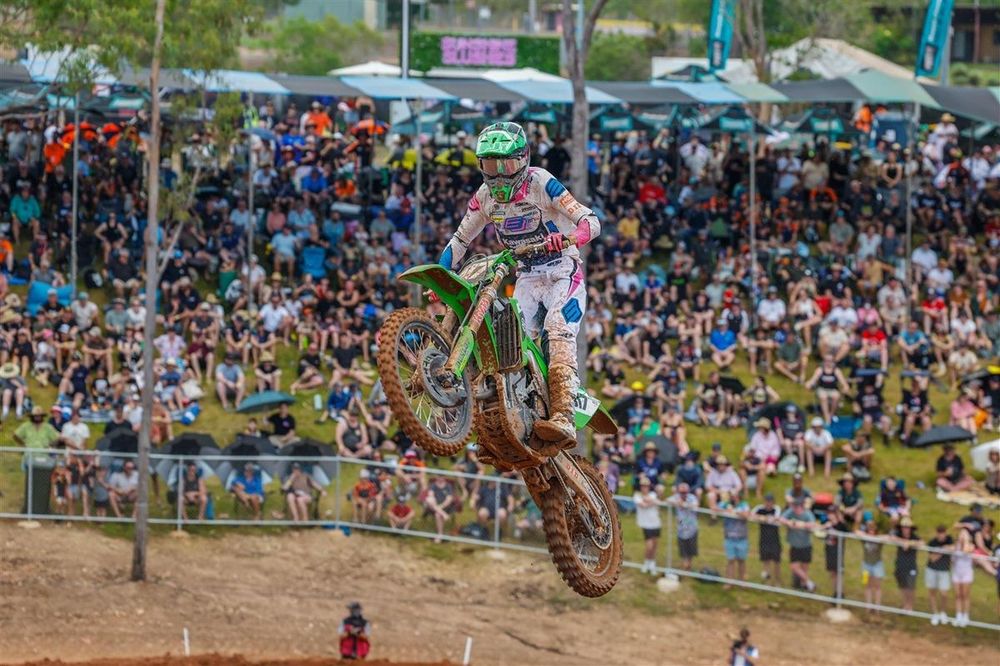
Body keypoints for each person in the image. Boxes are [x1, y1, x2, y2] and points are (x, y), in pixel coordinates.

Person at [439, 122, 601, 448]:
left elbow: (591, 221)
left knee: (557, 328)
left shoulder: (541, 182)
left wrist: (569, 238)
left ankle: (564, 416)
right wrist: (441, 275)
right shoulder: (484, 196)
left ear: (523, 158)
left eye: (506, 165)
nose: (499, 176)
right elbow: (460, 240)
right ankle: (502, 429)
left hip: (562, 271)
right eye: (490, 166)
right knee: (508, 344)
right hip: (525, 276)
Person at [781, 498, 817, 591]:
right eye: (794, 506)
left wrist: (802, 525)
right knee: (794, 567)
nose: (795, 508)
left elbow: (813, 524)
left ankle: (804, 585)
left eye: (797, 506)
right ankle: (809, 582)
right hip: (795, 545)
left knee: (804, 568)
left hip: (806, 545)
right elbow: (781, 518)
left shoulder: (807, 514)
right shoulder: (791, 511)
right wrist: (789, 522)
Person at [719, 489, 750, 588]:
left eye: (735, 495)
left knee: (741, 560)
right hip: (729, 537)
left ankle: (742, 582)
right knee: (730, 560)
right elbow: (715, 509)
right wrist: (725, 510)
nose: (733, 497)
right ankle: (729, 582)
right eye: (731, 495)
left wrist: (735, 511)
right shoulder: (725, 504)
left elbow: (746, 515)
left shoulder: (744, 504)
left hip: (742, 538)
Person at [926, 524, 954, 626]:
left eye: (943, 533)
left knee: (944, 593)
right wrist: (942, 550)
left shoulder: (949, 539)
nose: (941, 535)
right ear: (937, 533)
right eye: (939, 533)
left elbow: (953, 548)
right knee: (932, 592)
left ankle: (943, 612)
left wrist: (944, 549)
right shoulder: (932, 542)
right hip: (932, 569)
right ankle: (935, 613)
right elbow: (932, 558)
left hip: (944, 570)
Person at [667, 482, 699, 571]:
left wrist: (684, 504)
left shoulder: (692, 497)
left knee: (691, 548)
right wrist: (676, 502)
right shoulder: (676, 497)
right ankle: (685, 564)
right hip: (681, 525)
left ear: (688, 491)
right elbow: (667, 500)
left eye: (685, 492)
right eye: (681, 492)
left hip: (691, 526)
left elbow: (696, 505)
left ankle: (689, 564)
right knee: (683, 547)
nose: (683, 494)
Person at [634, 476, 661, 575]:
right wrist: (652, 502)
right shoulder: (637, 495)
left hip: (656, 523)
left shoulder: (652, 494)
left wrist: (650, 501)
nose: (644, 488)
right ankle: (646, 562)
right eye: (643, 486)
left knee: (654, 545)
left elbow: (653, 501)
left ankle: (652, 563)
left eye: (646, 486)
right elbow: (643, 504)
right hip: (646, 524)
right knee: (649, 546)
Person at [892, 517, 921, 611]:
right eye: (903, 527)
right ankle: (905, 604)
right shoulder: (898, 535)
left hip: (911, 566)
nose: (905, 529)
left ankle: (910, 606)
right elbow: (891, 537)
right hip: (900, 565)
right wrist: (902, 542)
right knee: (903, 586)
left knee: (910, 587)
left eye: (907, 527)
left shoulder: (914, 537)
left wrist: (910, 543)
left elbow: (921, 543)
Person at [752, 492, 782, 583]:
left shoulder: (776, 508)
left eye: (770, 501)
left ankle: (777, 580)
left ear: (773, 502)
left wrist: (763, 518)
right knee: (765, 559)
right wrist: (761, 518)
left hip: (774, 538)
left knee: (776, 560)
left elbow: (776, 518)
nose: (768, 503)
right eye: (766, 501)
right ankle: (767, 579)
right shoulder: (759, 508)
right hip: (764, 538)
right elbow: (752, 515)